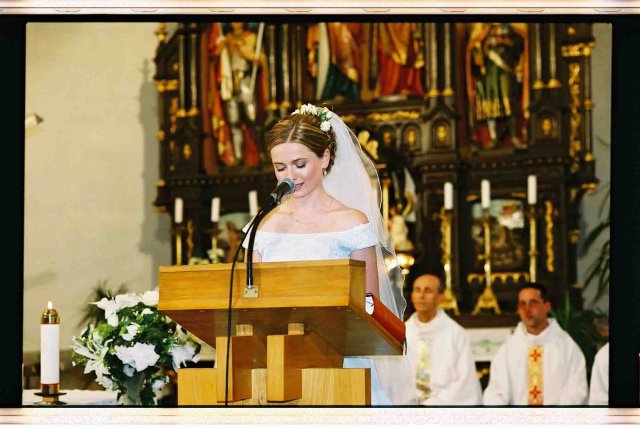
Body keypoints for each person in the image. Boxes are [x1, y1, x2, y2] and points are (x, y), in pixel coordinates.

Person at [242, 103, 412, 405]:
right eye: (280, 168)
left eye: (299, 164)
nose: (290, 176)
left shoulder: (352, 223)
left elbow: (369, 305)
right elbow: (248, 302)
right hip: (276, 365)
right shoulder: (263, 227)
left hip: (341, 362)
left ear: (325, 157)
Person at [483, 282, 588, 405]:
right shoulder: (508, 350)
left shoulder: (566, 347)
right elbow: (496, 391)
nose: (527, 309)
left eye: (533, 303)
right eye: (522, 304)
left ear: (547, 306)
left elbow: (576, 388)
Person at [405, 274, 483, 405]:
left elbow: (465, 382)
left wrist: (431, 405)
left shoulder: (456, 334)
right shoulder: (402, 332)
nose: (421, 296)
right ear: (412, 296)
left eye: (428, 290)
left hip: (443, 407)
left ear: (441, 297)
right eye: (417, 290)